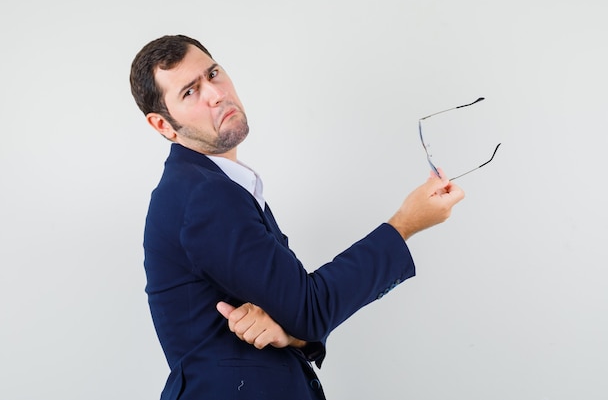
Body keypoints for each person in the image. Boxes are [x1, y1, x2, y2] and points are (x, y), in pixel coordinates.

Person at [130, 34, 465, 400]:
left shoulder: (214, 187)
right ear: (163, 125)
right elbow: (309, 306)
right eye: (189, 92)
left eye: (213, 74)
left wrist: (290, 332)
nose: (215, 93)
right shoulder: (204, 196)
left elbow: (294, 308)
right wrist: (405, 224)